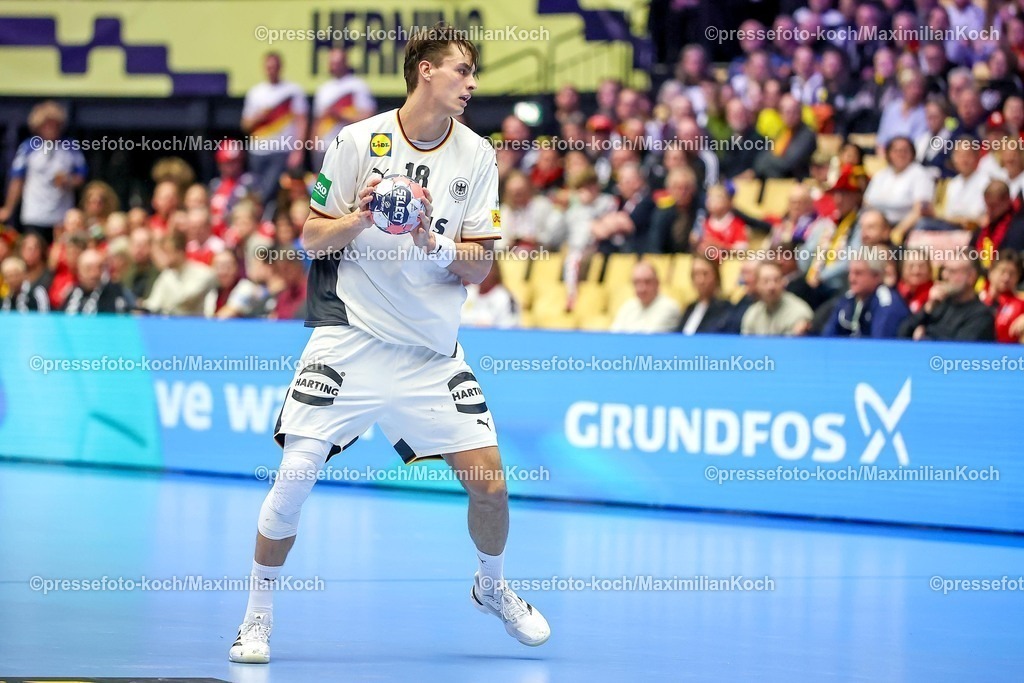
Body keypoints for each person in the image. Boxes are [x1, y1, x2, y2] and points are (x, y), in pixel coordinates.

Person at [228, 23, 550, 665]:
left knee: (490, 484)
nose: (473, 82)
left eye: (473, 71)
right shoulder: (357, 141)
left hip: (431, 350)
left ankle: (491, 586)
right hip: (351, 338)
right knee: (294, 477)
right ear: (425, 70)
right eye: (462, 70)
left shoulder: (478, 156)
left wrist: (431, 238)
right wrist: (364, 217)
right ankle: (255, 619)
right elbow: (311, 240)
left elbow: (479, 267)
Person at [0, 101, 87, 241]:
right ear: (38, 125)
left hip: (61, 215)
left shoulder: (71, 147)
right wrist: (8, 209)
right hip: (34, 214)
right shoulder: (28, 147)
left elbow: (81, 177)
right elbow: (17, 179)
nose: (51, 128)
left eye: (55, 124)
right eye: (47, 124)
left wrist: (68, 181)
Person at [241, 52, 309, 218]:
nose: (272, 70)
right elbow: (245, 125)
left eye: (275, 66)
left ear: (281, 67)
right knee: (258, 190)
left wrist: (298, 150)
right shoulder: (255, 93)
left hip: (281, 151)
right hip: (258, 151)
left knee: (271, 190)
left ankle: (265, 220)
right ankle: (260, 220)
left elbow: (301, 121)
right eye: (268, 67)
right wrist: (259, 117)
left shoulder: (292, 91)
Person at [898, 256, 995, 341]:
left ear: (971, 277)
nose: (944, 275)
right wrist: (927, 308)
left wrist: (925, 337)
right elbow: (902, 333)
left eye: (952, 271)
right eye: (944, 270)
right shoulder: (939, 305)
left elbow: (959, 349)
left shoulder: (981, 314)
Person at [311, 47, 376, 170]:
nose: (334, 66)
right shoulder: (323, 89)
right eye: (332, 63)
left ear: (346, 63)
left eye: (337, 63)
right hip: (324, 148)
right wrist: (314, 145)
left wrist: (340, 116)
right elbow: (317, 121)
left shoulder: (358, 86)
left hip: (348, 147)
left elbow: (369, 116)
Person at [822, 257, 910, 338]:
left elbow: (880, 345)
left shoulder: (886, 302)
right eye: (850, 273)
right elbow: (827, 338)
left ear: (876, 276)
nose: (851, 279)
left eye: (858, 273)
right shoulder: (847, 299)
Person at [143, 232, 216, 316]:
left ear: (180, 252)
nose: (164, 256)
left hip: (194, 324)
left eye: (168, 252)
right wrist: (142, 307)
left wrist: (164, 308)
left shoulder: (204, 273)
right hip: (168, 324)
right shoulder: (166, 275)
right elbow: (153, 303)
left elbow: (184, 300)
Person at [742, 261, 813, 336]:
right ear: (757, 285)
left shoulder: (799, 313)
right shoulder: (752, 313)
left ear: (783, 282)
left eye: (776, 280)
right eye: (766, 281)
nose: (771, 286)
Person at [610, 261, 681, 333]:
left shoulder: (669, 307)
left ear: (657, 283)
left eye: (647, 282)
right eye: (637, 282)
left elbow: (648, 339)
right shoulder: (627, 306)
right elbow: (614, 335)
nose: (642, 288)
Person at [62, 248, 134, 314]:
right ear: (79, 271)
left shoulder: (115, 292)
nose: (94, 274)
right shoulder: (72, 292)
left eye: (99, 268)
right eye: (88, 269)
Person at [678, 254, 733, 335]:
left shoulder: (725, 309)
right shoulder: (690, 308)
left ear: (716, 277)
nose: (701, 280)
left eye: (705, 274)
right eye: (696, 274)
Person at [979, 249, 1024, 343]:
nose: (1006, 278)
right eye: (1002, 271)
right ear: (991, 272)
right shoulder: (976, 300)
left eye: (1012, 273)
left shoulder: (1020, 304)